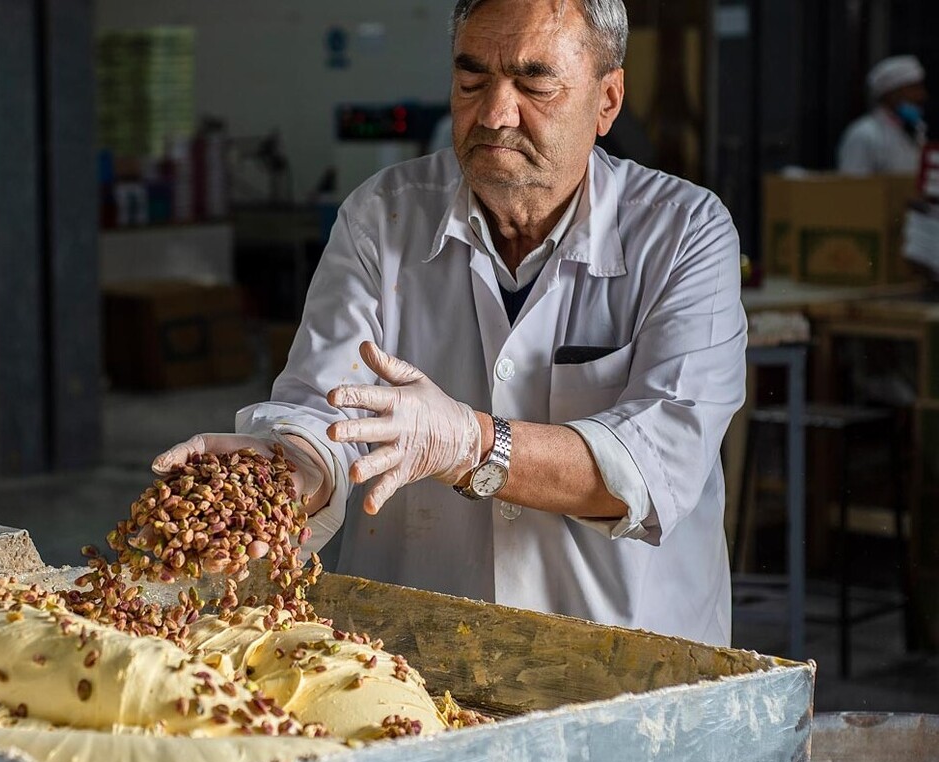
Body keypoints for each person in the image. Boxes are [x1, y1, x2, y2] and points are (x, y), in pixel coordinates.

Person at [154, 0, 747, 647]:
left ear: (607, 99)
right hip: (416, 651)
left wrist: (471, 445)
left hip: (631, 660)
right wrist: (288, 470)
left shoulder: (685, 231)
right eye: (471, 80)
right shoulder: (384, 216)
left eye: (533, 83)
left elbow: (660, 463)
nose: (494, 114)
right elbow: (323, 405)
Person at [837, 54, 928, 175]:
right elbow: (852, 187)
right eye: (913, 89)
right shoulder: (864, 134)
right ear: (890, 94)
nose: (921, 95)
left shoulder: (917, 129)